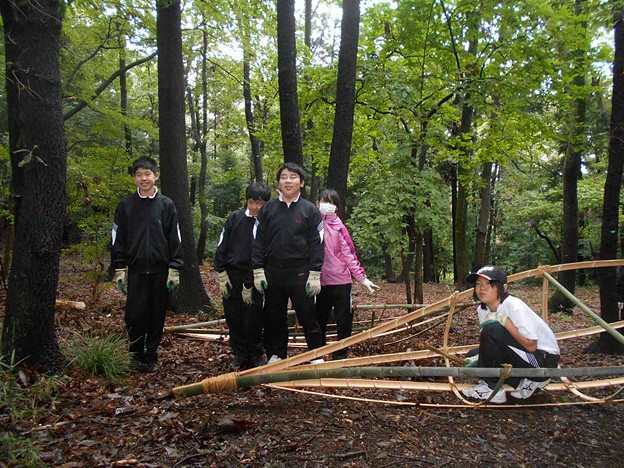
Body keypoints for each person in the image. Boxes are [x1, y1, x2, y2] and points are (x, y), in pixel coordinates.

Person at [111, 157, 183, 373]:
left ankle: (151, 356)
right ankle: (135, 355)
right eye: (139, 174)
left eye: (148, 174)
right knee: (134, 315)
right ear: (134, 178)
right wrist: (120, 268)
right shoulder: (126, 205)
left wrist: (175, 269)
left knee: (156, 316)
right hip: (137, 271)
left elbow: (175, 238)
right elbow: (117, 238)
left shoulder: (166, 205)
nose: (144, 178)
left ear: (156, 176)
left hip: (161, 271)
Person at [251, 162, 324, 364]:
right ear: (279, 182)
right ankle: (277, 354)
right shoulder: (268, 210)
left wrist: (316, 273)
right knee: (274, 316)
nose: (288, 180)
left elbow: (318, 243)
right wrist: (258, 270)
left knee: (308, 315)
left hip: (302, 272)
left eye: (293, 177)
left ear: (301, 182)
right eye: (284, 177)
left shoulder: (310, 210)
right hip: (273, 271)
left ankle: (315, 354)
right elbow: (258, 241)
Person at [461, 265, 560, 404]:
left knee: (492, 329)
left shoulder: (513, 305)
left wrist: (505, 322)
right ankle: (522, 382)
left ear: (504, 288)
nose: (481, 288)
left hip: (543, 361)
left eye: (488, 284)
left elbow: (531, 346)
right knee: (473, 355)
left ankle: (492, 388)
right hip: (522, 356)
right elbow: (492, 344)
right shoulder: (482, 310)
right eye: (478, 284)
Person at [315, 188, 380, 360]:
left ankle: (340, 354)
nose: (327, 205)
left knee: (343, 320)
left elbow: (349, 254)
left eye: (331, 202)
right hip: (319, 281)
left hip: (341, 281)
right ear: (317, 203)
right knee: (319, 318)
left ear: (336, 207)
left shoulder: (339, 228)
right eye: (324, 201)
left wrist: (362, 278)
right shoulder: (313, 225)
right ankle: (318, 353)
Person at [214, 182, 271, 370]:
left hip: (255, 276)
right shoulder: (235, 218)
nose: (255, 207)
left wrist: (250, 282)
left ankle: (255, 354)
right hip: (231, 275)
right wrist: (222, 273)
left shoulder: (267, 223)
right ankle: (239, 354)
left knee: (253, 318)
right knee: (233, 317)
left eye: (259, 203)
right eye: (251, 202)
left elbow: (264, 254)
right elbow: (222, 246)